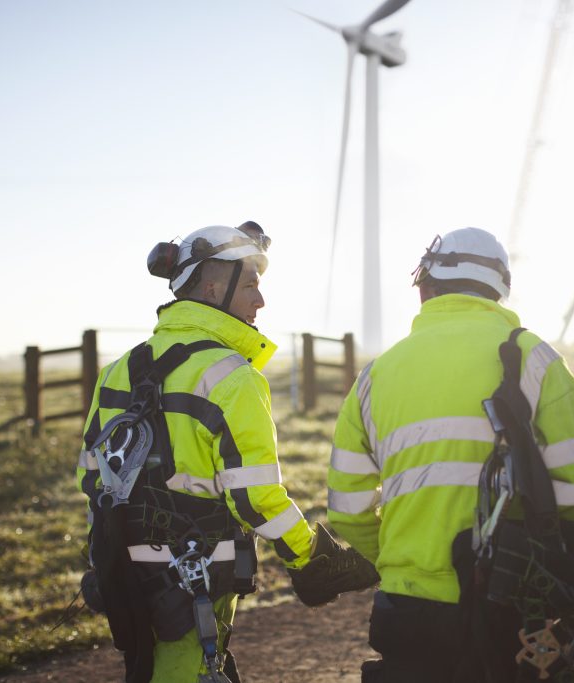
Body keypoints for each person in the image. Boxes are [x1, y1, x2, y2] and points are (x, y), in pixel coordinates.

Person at [77, 221, 378, 683]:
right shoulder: (232, 375)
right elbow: (255, 497)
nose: (261, 301)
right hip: (193, 579)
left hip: (124, 573)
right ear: (214, 288)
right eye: (252, 286)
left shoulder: (119, 369)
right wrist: (312, 556)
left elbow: (91, 476)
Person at [326, 227, 574, 682]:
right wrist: (555, 569)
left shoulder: (375, 375)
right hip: (513, 604)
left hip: (406, 605)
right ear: (499, 290)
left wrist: (400, 559)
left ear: (426, 287)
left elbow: (346, 507)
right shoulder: (535, 360)